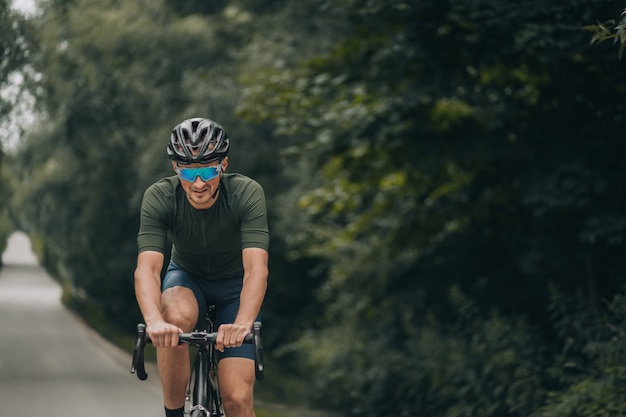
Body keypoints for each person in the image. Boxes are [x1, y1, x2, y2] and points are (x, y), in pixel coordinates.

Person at [134, 117, 269, 417]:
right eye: (188, 172)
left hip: (236, 290)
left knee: (235, 398)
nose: (198, 184)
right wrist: (154, 321)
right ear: (175, 168)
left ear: (223, 164)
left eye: (207, 171)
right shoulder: (160, 197)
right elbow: (148, 269)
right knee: (175, 317)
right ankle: (174, 414)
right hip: (187, 279)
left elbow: (256, 269)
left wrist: (243, 324)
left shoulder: (247, 193)